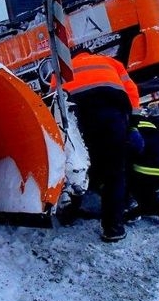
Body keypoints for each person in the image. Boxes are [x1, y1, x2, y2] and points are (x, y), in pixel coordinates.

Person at [56, 49, 140, 242]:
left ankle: (70, 212)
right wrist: (134, 124)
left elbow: (56, 100)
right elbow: (132, 91)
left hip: (80, 121)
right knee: (115, 172)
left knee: (81, 167)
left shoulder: (60, 69)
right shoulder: (109, 62)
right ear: (90, 54)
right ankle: (113, 229)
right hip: (112, 117)